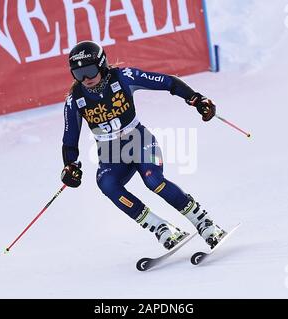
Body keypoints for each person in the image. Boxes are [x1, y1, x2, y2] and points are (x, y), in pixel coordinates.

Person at [61, 41, 227, 250]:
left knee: (153, 180)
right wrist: (70, 166)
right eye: (78, 74)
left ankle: (204, 222)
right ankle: (162, 228)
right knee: (106, 183)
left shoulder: (124, 77)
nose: (85, 79)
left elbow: (168, 82)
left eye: (90, 71)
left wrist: (196, 99)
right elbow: (69, 139)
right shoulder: (74, 100)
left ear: (102, 65)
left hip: (138, 141)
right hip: (110, 153)